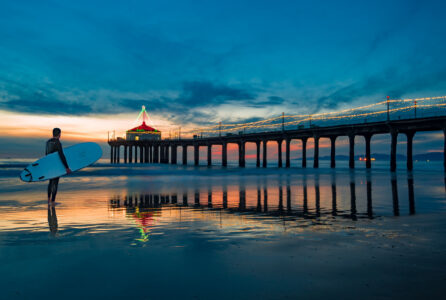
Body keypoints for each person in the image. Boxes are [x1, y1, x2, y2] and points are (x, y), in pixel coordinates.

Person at [46, 128, 71, 204]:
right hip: (56, 165)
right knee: (55, 183)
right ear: (59, 134)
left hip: (49, 165)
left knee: (50, 182)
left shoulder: (48, 142)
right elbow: (61, 155)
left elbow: (46, 155)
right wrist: (66, 167)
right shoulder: (58, 143)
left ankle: (48, 200)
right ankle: (53, 201)